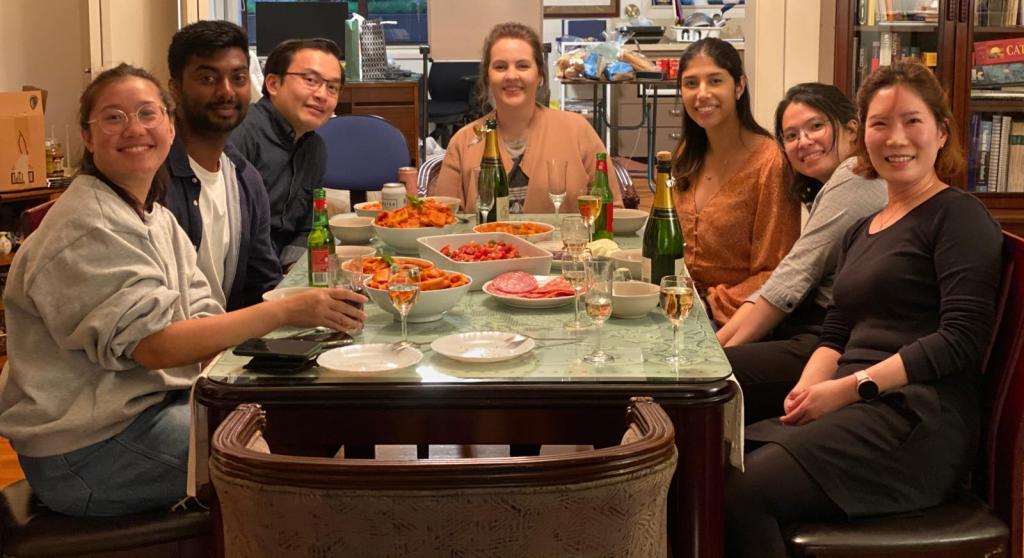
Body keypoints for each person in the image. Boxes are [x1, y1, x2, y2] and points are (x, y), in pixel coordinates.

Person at [0, 64, 366, 517]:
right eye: (113, 118)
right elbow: (154, 347)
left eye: (148, 114)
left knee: (305, 423)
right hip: (90, 450)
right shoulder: (86, 225)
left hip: (150, 411)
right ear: (88, 138)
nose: (134, 128)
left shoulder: (154, 216)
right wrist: (287, 310)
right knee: (281, 471)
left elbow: (201, 318)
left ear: (170, 127)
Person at [726, 60, 1003, 558]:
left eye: (912, 121)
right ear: (862, 137)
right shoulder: (864, 228)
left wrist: (851, 389)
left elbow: (962, 338)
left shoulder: (959, 216)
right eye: (880, 123)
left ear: (941, 132)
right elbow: (836, 331)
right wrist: (806, 389)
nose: (896, 138)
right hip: (856, 407)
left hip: (915, 420)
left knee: (741, 489)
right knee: (710, 462)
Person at [717, 83, 887, 424]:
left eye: (815, 126)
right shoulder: (836, 182)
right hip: (820, 327)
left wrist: (713, 353)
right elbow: (784, 280)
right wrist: (714, 343)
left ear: (852, 128)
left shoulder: (856, 177)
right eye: (791, 135)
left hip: (837, 341)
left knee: (705, 379)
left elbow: (790, 282)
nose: (803, 142)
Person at [670, 38, 800, 326]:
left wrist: (709, 304)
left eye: (715, 81)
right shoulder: (685, 157)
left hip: (737, 318)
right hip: (678, 304)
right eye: (691, 84)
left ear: (739, 86)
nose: (702, 94)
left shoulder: (770, 164)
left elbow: (775, 270)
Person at [433, 22, 622, 214]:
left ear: (539, 74)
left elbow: (611, 212)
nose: (511, 75)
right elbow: (445, 221)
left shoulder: (578, 131)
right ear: (487, 77)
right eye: (500, 67)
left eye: (523, 66)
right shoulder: (463, 142)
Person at [165, 20, 281, 310]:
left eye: (238, 78)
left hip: (224, 345)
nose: (226, 92)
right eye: (208, 78)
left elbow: (262, 287)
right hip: (168, 347)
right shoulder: (153, 178)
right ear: (175, 88)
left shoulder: (244, 179)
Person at [231, 38, 342, 266]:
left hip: (281, 272)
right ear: (273, 84)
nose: (322, 94)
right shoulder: (241, 135)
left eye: (332, 87)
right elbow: (231, 234)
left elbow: (308, 227)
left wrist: (294, 274)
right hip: (243, 278)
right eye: (310, 80)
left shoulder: (314, 147)